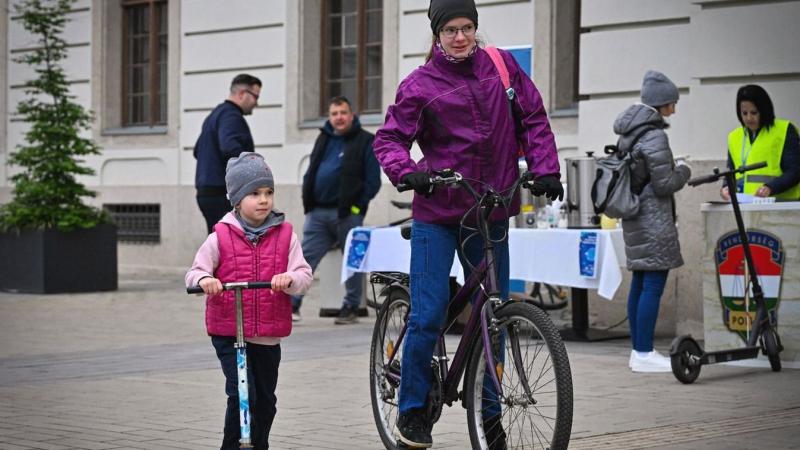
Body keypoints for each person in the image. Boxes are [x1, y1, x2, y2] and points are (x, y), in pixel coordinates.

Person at [372, 1, 562, 447]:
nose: (461, 37)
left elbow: (532, 117)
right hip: (438, 212)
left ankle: (489, 416)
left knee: (493, 312)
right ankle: (413, 411)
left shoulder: (501, 65)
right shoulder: (420, 84)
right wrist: (408, 171)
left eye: (468, 28)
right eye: (452, 30)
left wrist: (545, 167)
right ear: (436, 34)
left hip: (490, 208)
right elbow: (390, 138)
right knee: (430, 312)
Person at [186, 152, 312, 450]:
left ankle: (259, 445)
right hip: (229, 332)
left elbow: (304, 275)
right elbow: (195, 272)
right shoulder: (220, 235)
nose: (264, 200)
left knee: (265, 401)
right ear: (237, 199)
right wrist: (206, 281)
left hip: (267, 336)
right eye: (254, 193)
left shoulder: (286, 235)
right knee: (243, 395)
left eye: (268, 192)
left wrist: (289, 279)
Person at [612, 70, 691, 373]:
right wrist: (683, 169)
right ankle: (643, 352)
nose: (674, 108)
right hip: (653, 219)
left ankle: (638, 350)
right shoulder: (655, 135)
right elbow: (664, 184)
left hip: (635, 216)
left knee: (641, 282)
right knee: (653, 283)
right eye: (672, 103)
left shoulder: (630, 131)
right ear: (661, 104)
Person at [291, 96, 381, 324]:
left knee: (353, 260)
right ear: (329, 117)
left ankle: (351, 307)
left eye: (343, 112)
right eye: (334, 114)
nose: (339, 117)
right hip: (318, 213)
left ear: (352, 115)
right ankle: (291, 305)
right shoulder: (324, 138)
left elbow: (373, 182)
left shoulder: (366, 141)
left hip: (347, 214)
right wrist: (308, 201)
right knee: (305, 259)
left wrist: (356, 208)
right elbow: (311, 170)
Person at [194, 74, 262, 233]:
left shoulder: (215, 115)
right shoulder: (232, 116)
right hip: (222, 192)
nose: (256, 103)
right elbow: (230, 147)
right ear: (242, 94)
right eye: (255, 97)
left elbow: (198, 151)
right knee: (230, 245)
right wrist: (253, 168)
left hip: (206, 192)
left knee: (220, 243)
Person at [720, 84, 800, 201]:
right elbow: (731, 172)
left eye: (754, 112)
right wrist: (726, 187)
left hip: (780, 206)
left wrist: (770, 187)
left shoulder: (784, 130)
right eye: (744, 113)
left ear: (764, 110)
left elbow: (795, 171)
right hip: (747, 209)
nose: (748, 118)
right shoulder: (734, 137)